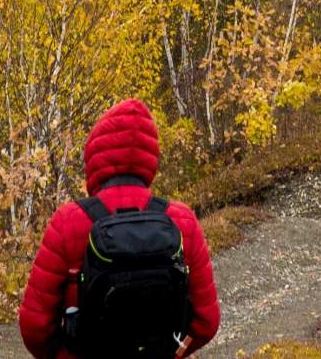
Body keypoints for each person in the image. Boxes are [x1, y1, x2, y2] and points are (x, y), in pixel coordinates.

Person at [19, 98, 220, 358]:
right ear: (151, 157)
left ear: (94, 154)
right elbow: (207, 321)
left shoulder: (68, 221)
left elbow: (35, 327)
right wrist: (174, 353)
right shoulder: (181, 220)